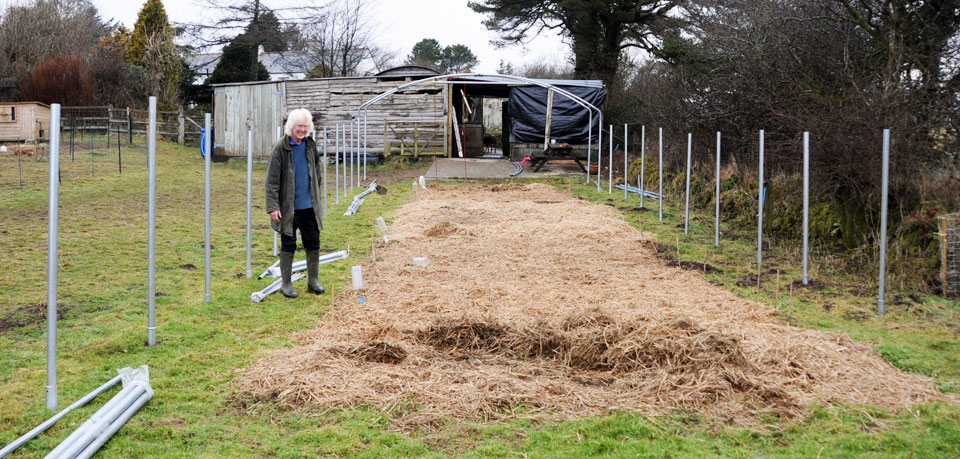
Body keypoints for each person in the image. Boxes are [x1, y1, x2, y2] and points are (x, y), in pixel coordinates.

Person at [265, 108, 325, 298]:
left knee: (313, 242)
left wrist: (315, 195)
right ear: (292, 127)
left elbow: (317, 173)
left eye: (306, 126)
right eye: (300, 126)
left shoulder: (310, 146)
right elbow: (271, 181)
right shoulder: (280, 149)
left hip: (309, 207)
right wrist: (273, 206)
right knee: (288, 244)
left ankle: (313, 280)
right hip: (288, 208)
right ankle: (286, 284)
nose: (303, 130)